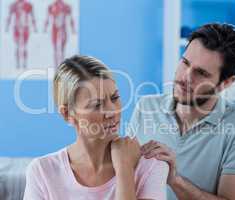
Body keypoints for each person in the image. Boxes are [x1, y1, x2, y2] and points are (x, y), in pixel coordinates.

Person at [128, 23, 235, 200]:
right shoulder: (146, 107)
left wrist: (175, 180)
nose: (185, 78)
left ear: (226, 82)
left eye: (201, 73)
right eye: (185, 62)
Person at [23, 55, 168, 200]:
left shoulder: (150, 166)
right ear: (67, 114)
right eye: (97, 105)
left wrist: (124, 169)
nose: (112, 112)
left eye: (114, 98)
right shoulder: (42, 172)